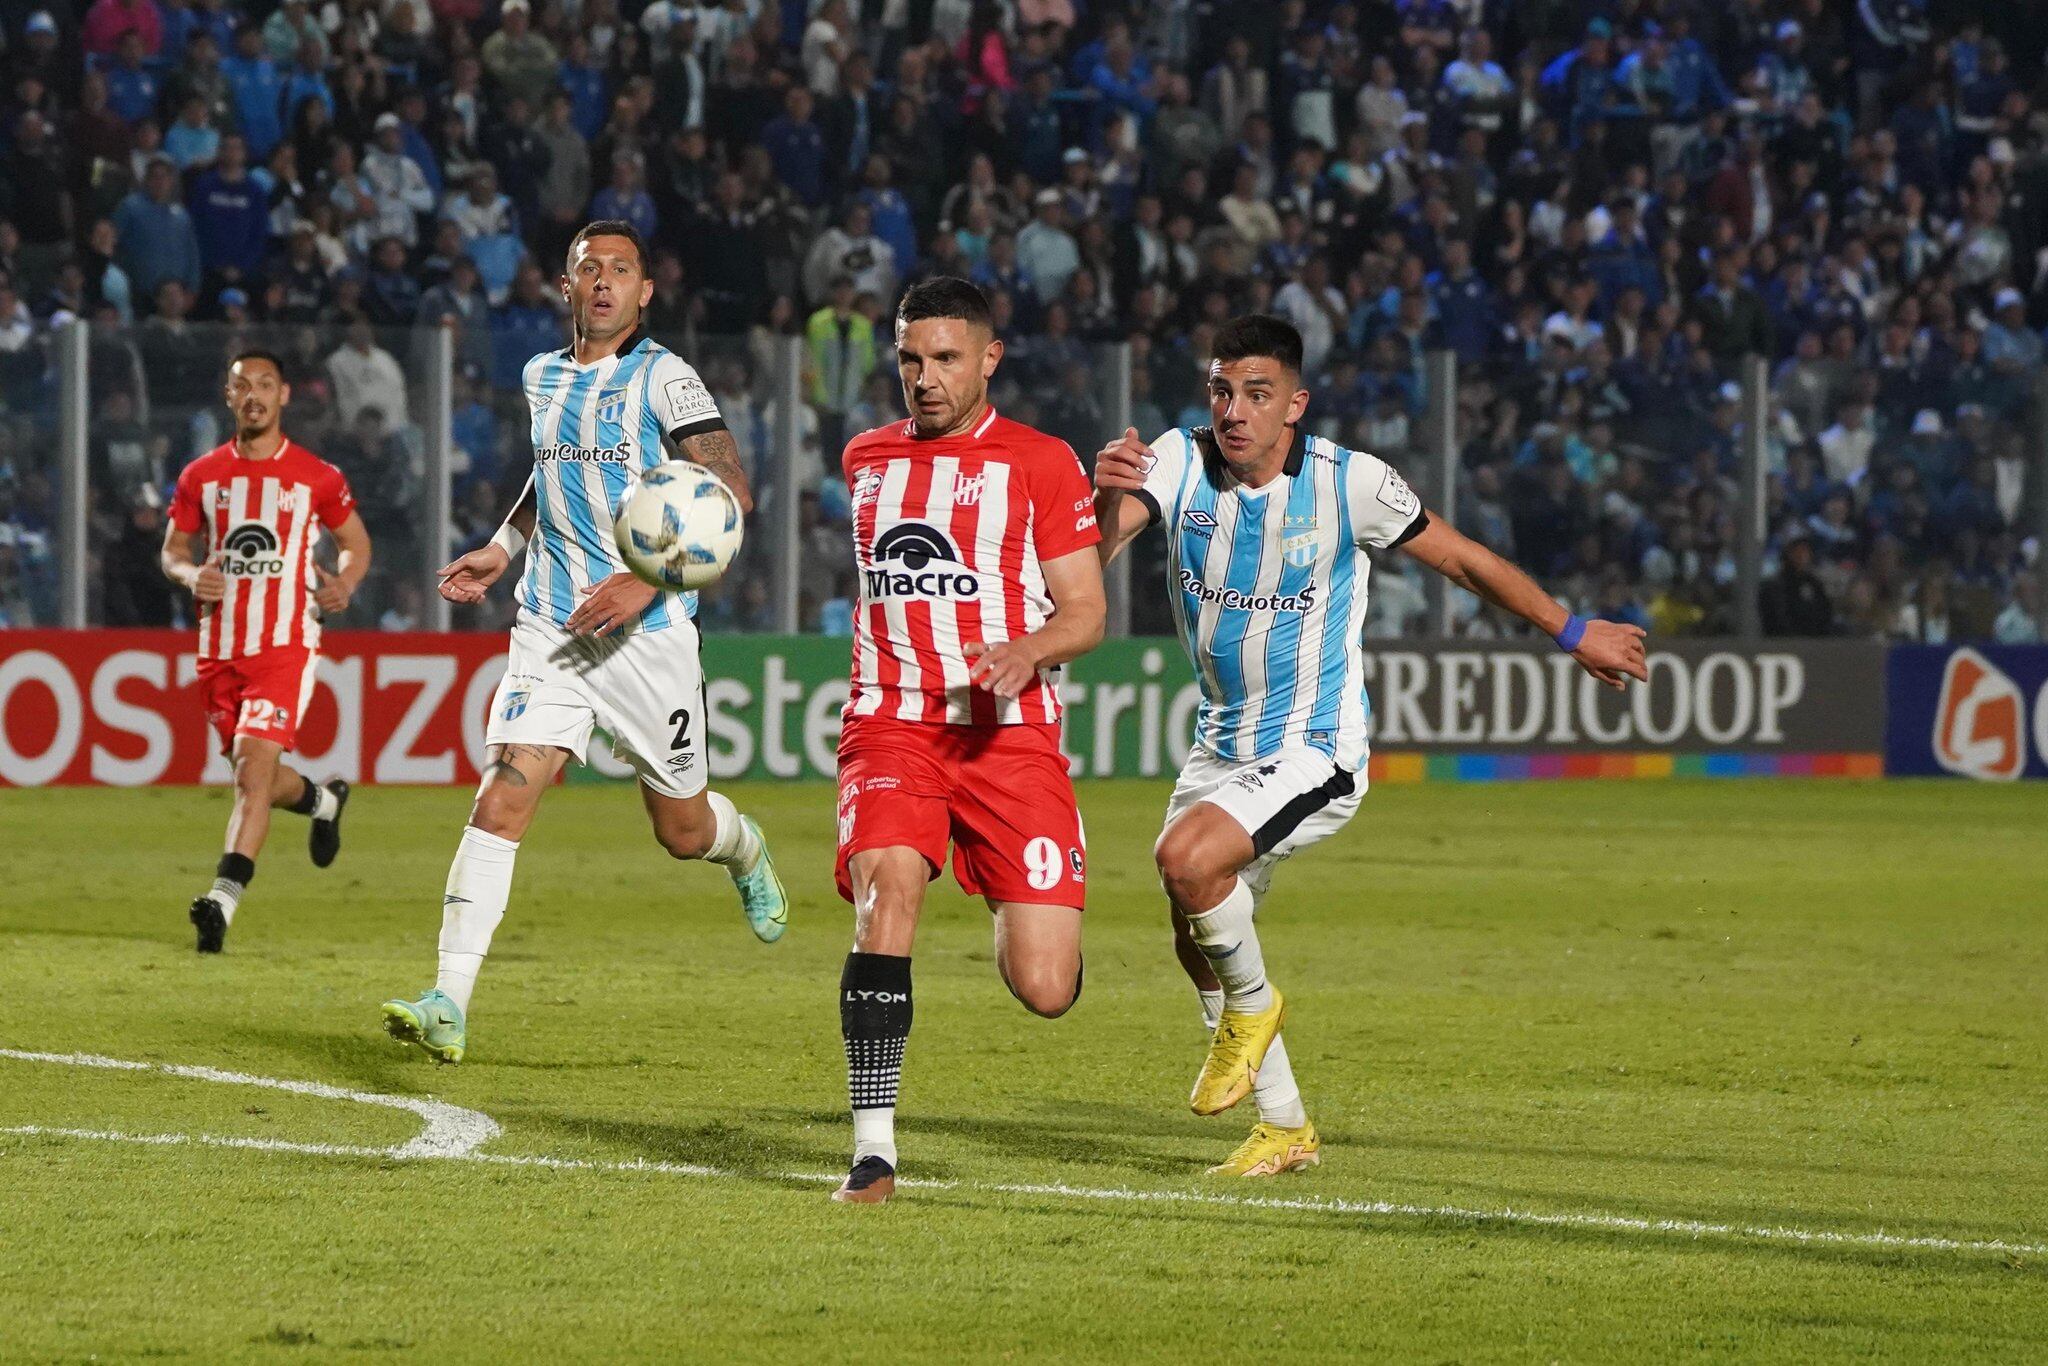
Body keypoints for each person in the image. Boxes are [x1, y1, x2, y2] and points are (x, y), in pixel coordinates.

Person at [1090, 314, 1648, 1177]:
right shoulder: (1173, 458)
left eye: (1258, 394)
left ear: (1294, 405)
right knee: (1189, 926)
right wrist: (1103, 496)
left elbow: (1459, 560)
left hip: (1316, 745)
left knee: (1185, 860)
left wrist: (1573, 630)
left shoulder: (1349, 483)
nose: (1235, 411)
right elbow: (1096, 551)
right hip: (1221, 743)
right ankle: (1284, 1128)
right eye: (1223, 391)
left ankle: (1251, 1007)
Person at [378, 220, 786, 1064]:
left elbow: (733, 493)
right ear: (564, 288)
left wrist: (652, 580)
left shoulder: (665, 379)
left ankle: (742, 847)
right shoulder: (539, 376)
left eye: (621, 271)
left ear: (645, 292)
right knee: (502, 797)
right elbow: (549, 472)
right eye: (587, 269)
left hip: (652, 637)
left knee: (680, 831)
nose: (603, 282)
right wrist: (502, 546)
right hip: (553, 630)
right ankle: (449, 998)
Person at [830, 277, 1106, 1203]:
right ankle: (873, 1151)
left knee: (1044, 985)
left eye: (946, 358)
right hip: (892, 725)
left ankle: (1014, 893)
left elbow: (1086, 614)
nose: (926, 378)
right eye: (911, 359)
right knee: (888, 897)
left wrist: (1029, 650)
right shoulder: (864, 456)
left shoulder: (1040, 462)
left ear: (990, 358)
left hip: (1007, 742)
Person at [160, 349, 373, 953]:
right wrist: (186, 574)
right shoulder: (201, 476)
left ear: (284, 396)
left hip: (285, 644)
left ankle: (221, 904)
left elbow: (355, 544)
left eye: (264, 385)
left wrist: (345, 583)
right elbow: (174, 548)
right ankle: (324, 799)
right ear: (228, 397)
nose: (252, 395)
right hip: (219, 647)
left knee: (251, 774)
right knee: (258, 777)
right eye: (241, 386)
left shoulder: (316, 476)